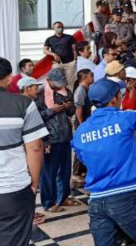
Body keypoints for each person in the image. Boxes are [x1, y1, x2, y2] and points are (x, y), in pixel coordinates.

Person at [72, 78, 136, 246]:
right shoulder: (124, 118)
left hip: (96, 202)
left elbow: (82, 158)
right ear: (113, 99)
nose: (122, 97)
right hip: (124, 197)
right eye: (120, 94)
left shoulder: (81, 131)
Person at [0, 58, 49, 245]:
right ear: (9, 78)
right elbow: (35, 147)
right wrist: (34, 185)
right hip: (14, 189)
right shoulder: (23, 104)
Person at [36, 68, 78, 213]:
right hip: (50, 138)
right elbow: (35, 117)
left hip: (65, 135)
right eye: (57, 83)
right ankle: (48, 202)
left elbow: (72, 112)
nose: (61, 86)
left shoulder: (65, 91)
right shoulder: (40, 94)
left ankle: (63, 197)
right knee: (49, 172)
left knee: (65, 170)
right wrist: (51, 110)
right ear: (49, 81)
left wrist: (68, 107)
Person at [72, 69, 94, 186]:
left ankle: (83, 170)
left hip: (86, 121)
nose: (93, 77)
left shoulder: (87, 89)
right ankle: (75, 173)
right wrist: (82, 124)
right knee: (79, 147)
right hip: (82, 122)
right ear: (85, 78)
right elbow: (78, 109)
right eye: (91, 76)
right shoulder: (80, 91)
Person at [44, 21, 77, 90]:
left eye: (62, 27)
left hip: (69, 63)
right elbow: (45, 50)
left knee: (70, 83)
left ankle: (69, 98)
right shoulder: (49, 39)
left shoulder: (69, 37)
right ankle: (58, 98)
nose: (60, 28)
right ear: (54, 28)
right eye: (58, 27)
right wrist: (54, 54)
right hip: (57, 64)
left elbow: (74, 50)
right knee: (55, 80)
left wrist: (75, 61)